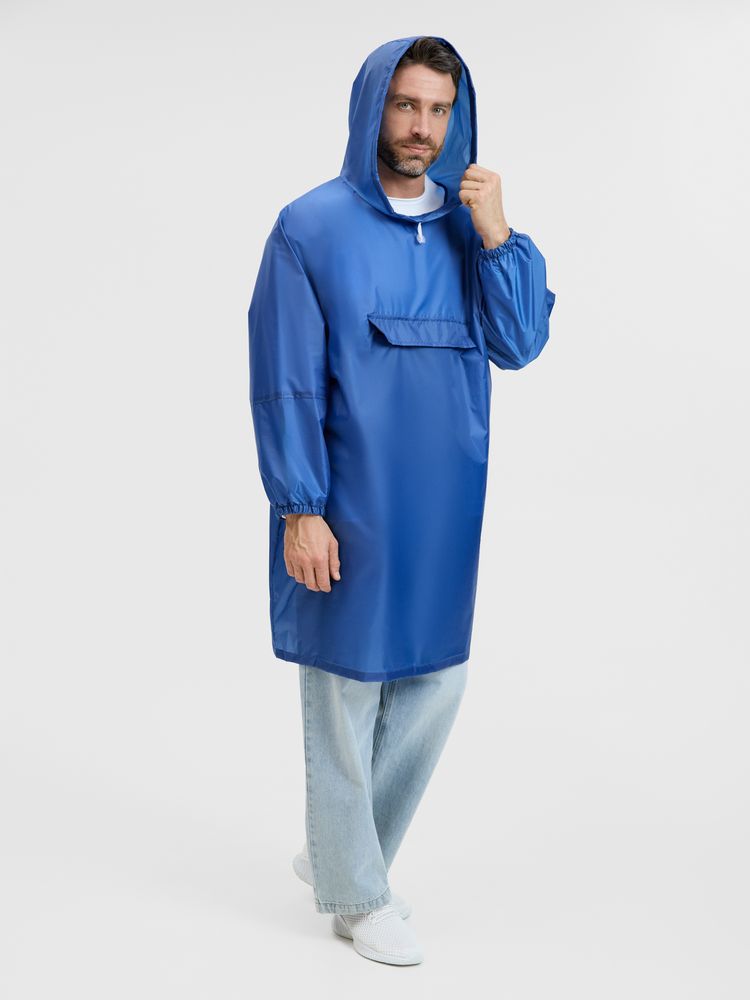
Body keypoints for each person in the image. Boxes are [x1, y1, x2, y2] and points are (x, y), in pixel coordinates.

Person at [247, 35, 556, 965]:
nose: (422, 127)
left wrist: (500, 235)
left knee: (434, 681)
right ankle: (357, 892)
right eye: (406, 105)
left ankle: (338, 851)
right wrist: (301, 506)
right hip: (347, 503)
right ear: (374, 107)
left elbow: (520, 344)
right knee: (345, 689)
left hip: (444, 506)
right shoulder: (311, 228)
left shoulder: (472, 230)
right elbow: (285, 378)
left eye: (439, 110)